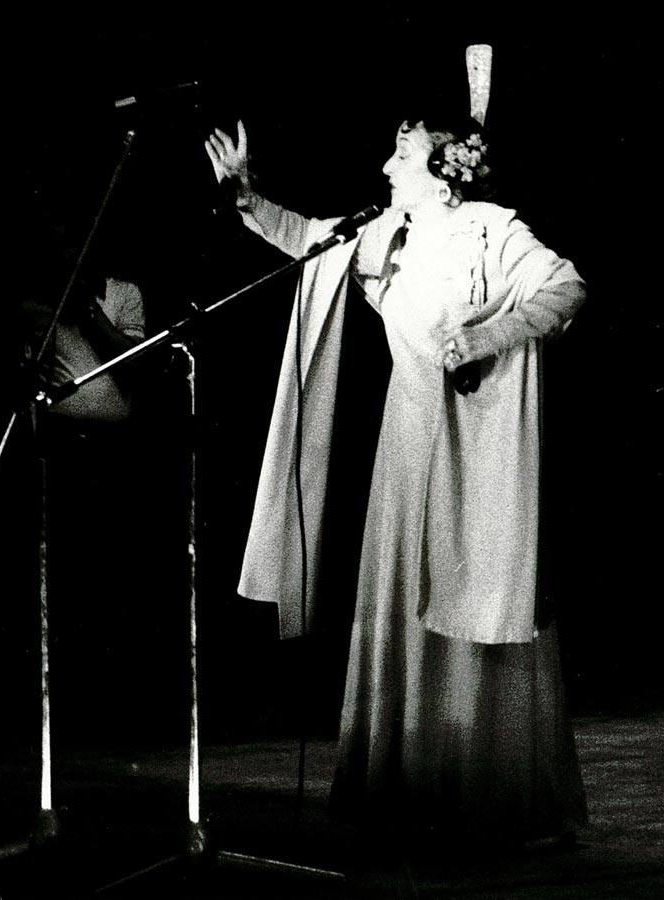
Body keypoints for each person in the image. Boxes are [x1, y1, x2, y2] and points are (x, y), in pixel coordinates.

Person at [212, 113, 588, 843]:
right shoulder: (384, 236)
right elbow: (307, 240)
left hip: (475, 453)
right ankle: (407, 788)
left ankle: (484, 793)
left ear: (446, 176)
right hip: (404, 449)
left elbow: (566, 287)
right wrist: (247, 196)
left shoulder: (491, 230)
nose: (386, 167)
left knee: (475, 604)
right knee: (404, 608)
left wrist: (487, 336)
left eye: (403, 153)